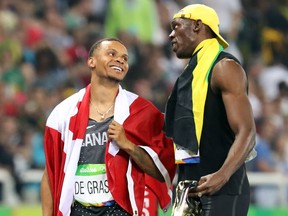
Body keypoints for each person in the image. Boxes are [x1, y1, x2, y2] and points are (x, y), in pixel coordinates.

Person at [40, 38, 176, 216]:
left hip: (120, 210)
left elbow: (162, 170)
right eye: (111, 54)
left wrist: (128, 145)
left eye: (125, 58)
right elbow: (50, 174)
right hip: (79, 209)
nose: (120, 60)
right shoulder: (64, 114)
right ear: (91, 61)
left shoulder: (140, 111)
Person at [164, 4, 256, 216]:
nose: (170, 35)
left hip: (222, 188)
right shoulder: (188, 77)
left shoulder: (223, 67)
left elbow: (247, 132)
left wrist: (221, 176)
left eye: (176, 26)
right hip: (187, 190)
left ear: (197, 26)